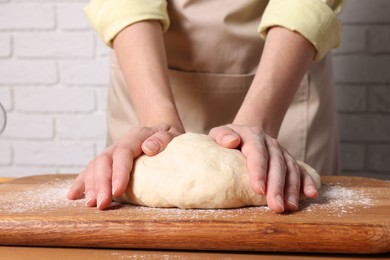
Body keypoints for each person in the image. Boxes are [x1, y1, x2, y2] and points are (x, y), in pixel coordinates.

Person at [68, 0, 345, 213]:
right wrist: (156, 121)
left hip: (283, 68)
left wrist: (259, 121)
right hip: (147, 68)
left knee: (289, 214)